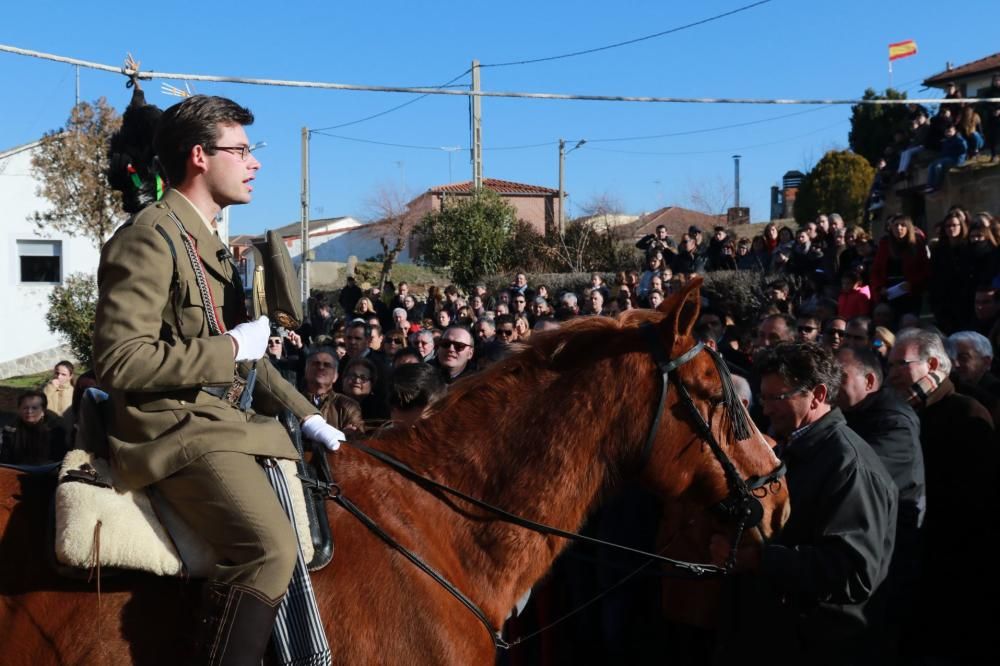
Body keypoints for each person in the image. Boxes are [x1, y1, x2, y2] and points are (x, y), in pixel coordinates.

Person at [92, 95, 345, 663]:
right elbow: (120, 360)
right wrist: (229, 347)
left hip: (218, 420)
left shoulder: (207, 242)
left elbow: (246, 358)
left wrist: (305, 413)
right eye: (242, 150)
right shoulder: (150, 236)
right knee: (269, 550)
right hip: (169, 429)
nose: (255, 163)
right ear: (200, 156)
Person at [716, 342, 897, 665]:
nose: (766, 409)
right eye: (763, 398)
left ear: (817, 395)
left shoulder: (848, 465)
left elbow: (853, 572)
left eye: (777, 398)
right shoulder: (792, 447)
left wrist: (758, 560)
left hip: (819, 642)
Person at [886, 328, 998, 663]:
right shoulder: (896, 413)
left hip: (951, 561)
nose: (892, 373)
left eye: (901, 364)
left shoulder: (967, 413)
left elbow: (976, 499)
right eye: (889, 364)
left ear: (932, 364)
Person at [302, 347, 363, 437]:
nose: (321, 367)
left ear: (335, 376)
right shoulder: (291, 401)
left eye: (327, 365)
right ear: (306, 371)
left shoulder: (348, 406)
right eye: (316, 364)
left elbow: (356, 437)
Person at [0, 391, 67, 465]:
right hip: (17, 468)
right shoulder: (11, 428)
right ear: (19, 409)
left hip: (48, 468)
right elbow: (5, 458)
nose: (29, 411)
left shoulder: (56, 428)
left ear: (43, 410)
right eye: (25, 408)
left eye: (34, 408)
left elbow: (59, 457)